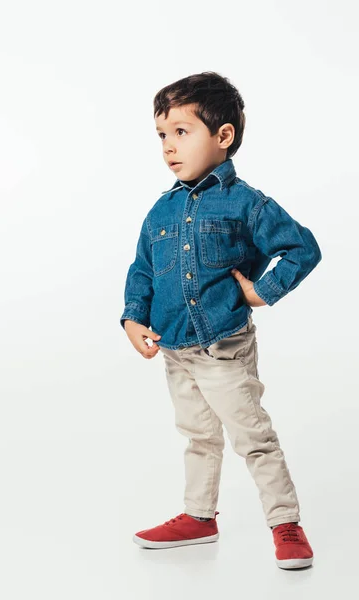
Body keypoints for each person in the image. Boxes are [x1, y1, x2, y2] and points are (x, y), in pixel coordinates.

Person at [120, 71, 322, 570]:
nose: (168, 146)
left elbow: (303, 248)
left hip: (222, 348)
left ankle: (285, 523)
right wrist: (132, 319)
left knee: (253, 437)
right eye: (162, 135)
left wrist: (262, 290)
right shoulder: (160, 211)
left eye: (181, 132)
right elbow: (143, 269)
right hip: (175, 351)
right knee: (198, 436)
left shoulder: (245, 203)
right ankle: (198, 517)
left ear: (223, 136)